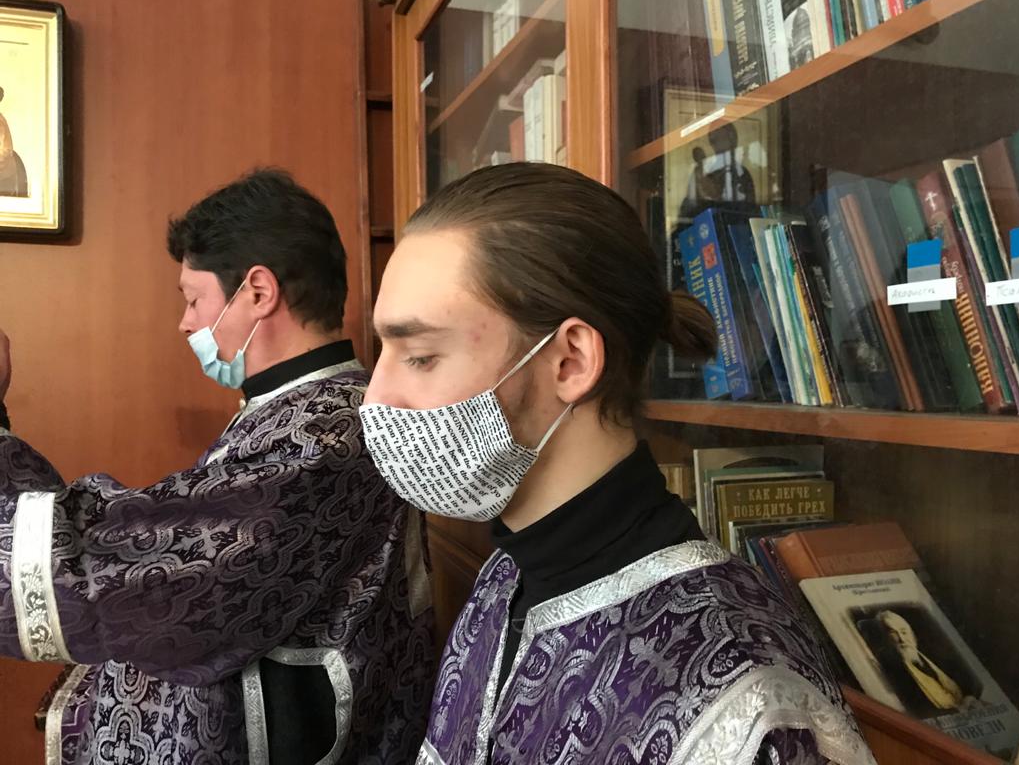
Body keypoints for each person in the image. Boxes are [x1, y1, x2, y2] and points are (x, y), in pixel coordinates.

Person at [360, 162, 877, 764]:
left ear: (571, 361)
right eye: (384, 352)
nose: (374, 398)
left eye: (420, 356)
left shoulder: (742, 700)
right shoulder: (504, 577)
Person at [0, 169, 434, 764]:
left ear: (257, 292)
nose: (186, 322)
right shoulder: (298, 409)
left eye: (193, 298)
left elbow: (119, 571)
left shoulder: (325, 437)